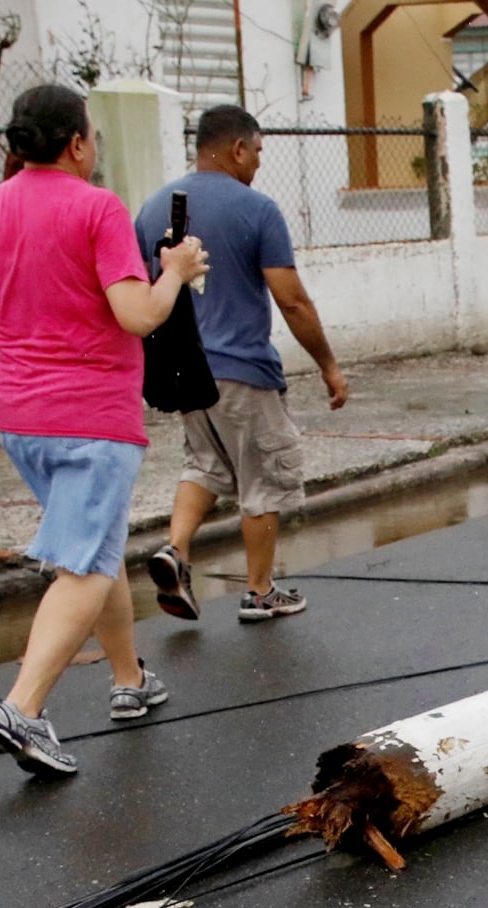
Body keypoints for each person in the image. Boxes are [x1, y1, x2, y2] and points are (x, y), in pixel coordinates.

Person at [0, 83, 208, 778]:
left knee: (94, 546)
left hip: (19, 415)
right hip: (92, 416)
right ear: (77, 143)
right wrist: (174, 273)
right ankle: (21, 710)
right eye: (94, 138)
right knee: (82, 561)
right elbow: (138, 314)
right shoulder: (96, 208)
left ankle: (129, 680)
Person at [133, 103, 349, 625]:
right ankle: (259, 591)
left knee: (204, 464)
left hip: (183, 370)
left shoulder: (150, 209)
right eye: (255, 151)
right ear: (236, 148)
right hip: (242, 371)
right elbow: (291, 299)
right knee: (262, 479)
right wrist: (328, 365)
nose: (256, 163)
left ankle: (177, 551)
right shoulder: (257, 209)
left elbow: (145, 291)